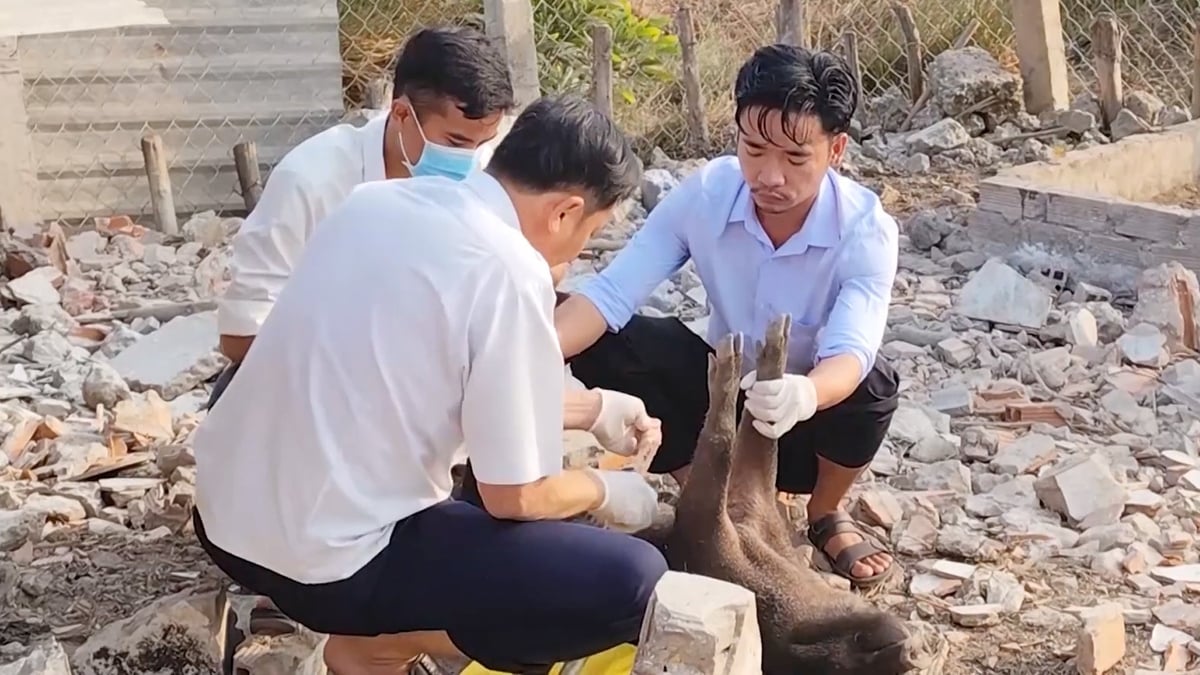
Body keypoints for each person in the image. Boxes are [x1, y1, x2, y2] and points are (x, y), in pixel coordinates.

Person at [192, 95, 669, 675]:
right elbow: (516, 496)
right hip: (328, 569)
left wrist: (591, 409)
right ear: (566, 212)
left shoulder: (375, 202)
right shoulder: (511, 270)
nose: (579, 251)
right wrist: (605, 490)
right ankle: (379, 645)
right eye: (589, 233)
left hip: (222, 526)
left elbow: (402, 375)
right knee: (632, 579)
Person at [555, 45, 902, 588]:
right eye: (754, 149)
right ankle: (710, 497)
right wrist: (523, 350)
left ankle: (824, 512)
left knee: (874, 383)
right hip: (719, 402)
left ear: (835, 150)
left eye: (794, 158)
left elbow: (851, 352)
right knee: (604, 337)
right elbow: (612, 293)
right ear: (736, 133)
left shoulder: (865, 230)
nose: (768, 176)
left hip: (803, 425)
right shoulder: (706, 195)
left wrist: (805, 394)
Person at [216, 25, 517, 370]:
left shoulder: (484, 172)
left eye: (482, 143)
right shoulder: (313, 181)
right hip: (322, 377)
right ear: (402, 114)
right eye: (455, 143)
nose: (469, 159)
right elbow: (242, 335)